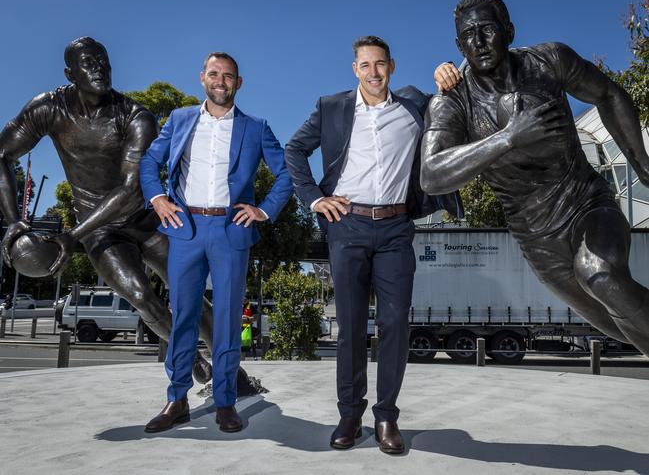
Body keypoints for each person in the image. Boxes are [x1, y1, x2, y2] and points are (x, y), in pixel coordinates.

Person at [421, 0, 649, 357]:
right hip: (537, 239)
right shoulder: (452, 102)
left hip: (585, 204)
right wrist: (508, 138)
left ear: (508, 31)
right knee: (618, 322)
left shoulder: (548, 61)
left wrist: (640, 161)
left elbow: (607, 94)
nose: (478, 42)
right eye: (468, 36)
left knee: (601, 274)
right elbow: (431, 174)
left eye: (487, 30)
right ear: (458, 44)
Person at [284, 36, 462, 454]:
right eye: (365, 65)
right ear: (355, 69)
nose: (373, 72)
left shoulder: (415, 104)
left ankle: (386, 417)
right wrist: (314, 198)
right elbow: (295, 149)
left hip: (397, 226)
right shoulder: (331, 107)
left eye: (380, 64)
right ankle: (350, 415)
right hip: (347, 226)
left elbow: (452, 106)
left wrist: (447, 76)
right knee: (349, 328)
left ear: (392, 67)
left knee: (395, 325)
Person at [0, 37, 213, 380]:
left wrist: (71, 237)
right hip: (99, 229)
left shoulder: (135, 116)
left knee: (188, 288)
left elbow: (130, 188)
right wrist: (14, 221)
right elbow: (2, 154)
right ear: (70, 73)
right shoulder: (48, 109)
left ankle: (229, 365)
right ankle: (193, 363)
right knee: (141, 295)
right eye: (88, 63)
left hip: (145, 218)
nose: (99, 68)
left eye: (104, 61)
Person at [140, 51, 292, 433]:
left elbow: (286, 174)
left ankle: (225, 401)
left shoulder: (256, 127)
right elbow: (148, 162)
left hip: (231, 231)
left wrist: (264, 210)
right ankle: (177, 400)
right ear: (202, 78)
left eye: (228, 75)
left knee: (226, 321)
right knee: (183, 319)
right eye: (214, 74)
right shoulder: (179, 119)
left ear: (238, 83)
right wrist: (158, 199)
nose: (220, 80)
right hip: (185, 228)